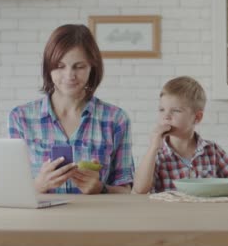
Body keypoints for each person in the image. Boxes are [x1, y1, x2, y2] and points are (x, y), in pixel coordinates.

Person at [8, 24, 134, 194]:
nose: (69, 75)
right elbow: (11, 189)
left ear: (92, 67)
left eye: (79, 66)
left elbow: (127, 191)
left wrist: (100, 188)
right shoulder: (20, 118)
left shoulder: (115, 119)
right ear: (48, 67)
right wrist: (38, 185)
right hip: (41, 220)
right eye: (60, 66)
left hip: (97, 219)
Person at [133, 76, 228, 194]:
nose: (166, 116)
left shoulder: (213, 151)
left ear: (197, 118)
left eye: (176, 110)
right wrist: (153, 148)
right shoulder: (157, 154)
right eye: (162, 109)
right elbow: (139, 190)